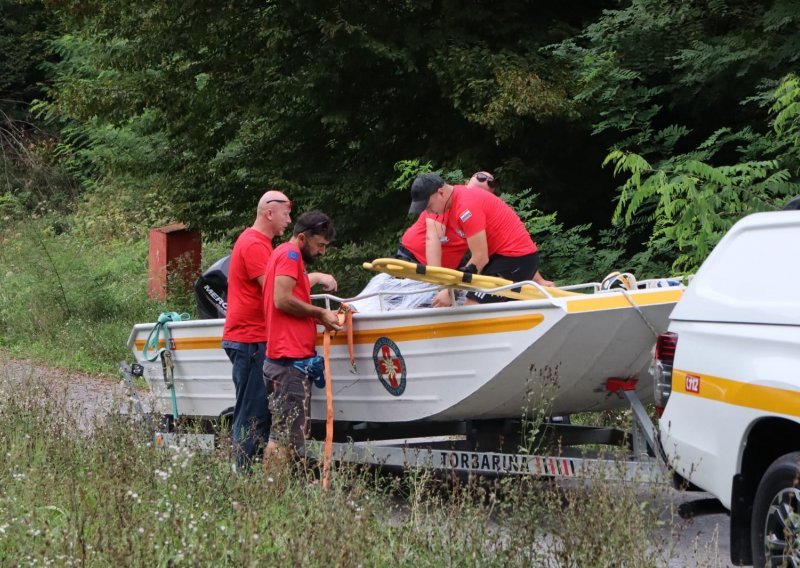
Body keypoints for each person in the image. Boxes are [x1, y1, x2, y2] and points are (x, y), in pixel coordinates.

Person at [221, 190, 292, 470]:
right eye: (286, 214)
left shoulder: (262, 244)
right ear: (269, 213)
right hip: (250, 340)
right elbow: (276, 289)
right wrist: (317, 279)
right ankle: (244, 475)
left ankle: (248, 472)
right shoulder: (253, 244)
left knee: (259, 411)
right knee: (253, 412)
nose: (289, 220)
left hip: (254, 339)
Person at [262, 211, 341, 461]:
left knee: (289, 437)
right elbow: (282, 300)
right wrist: (320, 313)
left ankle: (276, 493)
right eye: (320, 245)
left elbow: (293, 303)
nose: (322, 252)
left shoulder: (287, 255)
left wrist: (323, 317)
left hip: (290, 362)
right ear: (303, 238)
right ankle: (271, 495)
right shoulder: (290, 254)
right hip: (287, 364)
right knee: (283, 438)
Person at [408, 173, 554, 307]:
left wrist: (450, 290)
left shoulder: (465, 207)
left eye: (428, 206)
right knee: (473, 299)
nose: (427, 212)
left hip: (513, 259)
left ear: (441, 192)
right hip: (505, 259)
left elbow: (480, 257)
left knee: (472, 305)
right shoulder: (452, 203)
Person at [394, 170, 498, 268]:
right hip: (415, 260)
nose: (476, 198)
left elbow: (481, 254)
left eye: (483, 196)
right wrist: (437, 281)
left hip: (446, 270)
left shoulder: (481, 211)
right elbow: (433, 238)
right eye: (474, 192)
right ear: (466, 184)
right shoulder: (446, 200)